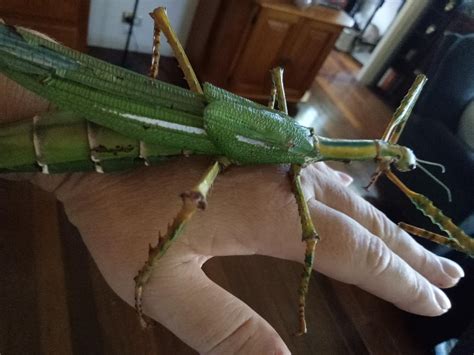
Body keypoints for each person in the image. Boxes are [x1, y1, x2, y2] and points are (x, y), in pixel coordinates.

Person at [0, 74, 464, 354]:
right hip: (128, 137)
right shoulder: (300, 148)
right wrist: (77, 179)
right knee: (290, 228)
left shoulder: (302, 144)